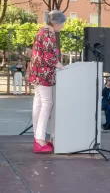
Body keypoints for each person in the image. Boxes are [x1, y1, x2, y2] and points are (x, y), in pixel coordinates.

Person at [29, 10, 66, 153]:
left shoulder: (41, 31)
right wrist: (62, 67)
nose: (62, 26)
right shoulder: (49, 34)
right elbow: (49, 57)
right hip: (44, 73)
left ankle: (37, 137)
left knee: (38, 103)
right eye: (61, 24)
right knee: (47, 104)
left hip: (36, 72)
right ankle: (40, 139)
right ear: (56, 22)